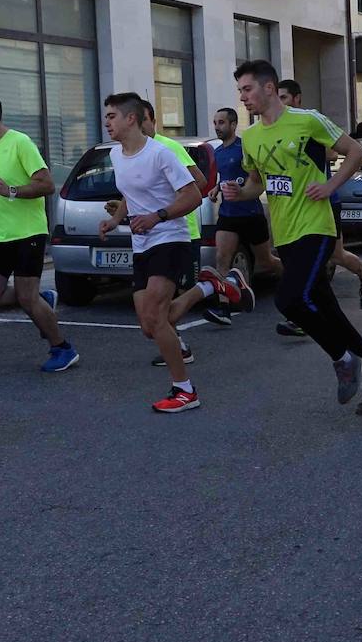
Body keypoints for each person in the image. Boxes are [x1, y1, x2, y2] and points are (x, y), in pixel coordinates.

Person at [225, 61, 362, 415]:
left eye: (247, 89)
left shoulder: (308, 120)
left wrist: (332, 184)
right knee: (331, 313)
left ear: (269, 88)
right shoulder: (252, 137)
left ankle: (342, 359)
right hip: (285, 232)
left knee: (289, 300)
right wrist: (237, 192)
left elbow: (357, 152)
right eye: (240, 91)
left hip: (316, 226)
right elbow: (257, 182)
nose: (243, 98)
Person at [98, 93, 242, 413]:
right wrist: (116, 219)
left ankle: (184, 390)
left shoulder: (161, 153)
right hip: (142, 245)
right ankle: (208, 286)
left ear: (131, 118)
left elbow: (193, 195)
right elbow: (130, 193)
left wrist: (157, 216)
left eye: (111, 116)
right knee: (150, 326)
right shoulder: (117, 156)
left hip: (170, 238)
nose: (106, 122)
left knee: (155, 315)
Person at [0, 88, 78, 372]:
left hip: (28, 233)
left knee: (28, 298)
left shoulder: (20, 143)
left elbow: (46, 185)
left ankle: (62, 348)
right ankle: (40, 299)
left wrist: (12, 190)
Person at [277, 79, 362, 318]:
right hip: (293, 205)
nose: (279, 102)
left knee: (334, 255)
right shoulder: (277, 127)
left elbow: (334, 152)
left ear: (297, 99)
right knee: (323, 258)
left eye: (284, 97)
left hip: (323, 201)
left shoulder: (310, 121)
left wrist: (304, 151)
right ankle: (311, 311)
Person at [136, 99, 223, 362]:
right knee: (158, 307)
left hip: (180, 231)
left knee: (173, 299)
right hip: (149, 236)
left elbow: (199, 182)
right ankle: (178, 347)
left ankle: (210, 286)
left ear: (151, 120)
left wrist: (165, 205)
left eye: (141, 123)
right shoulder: (134, 151)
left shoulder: (168, 147)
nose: (136, 129)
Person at [207, 106, 281, 325]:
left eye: (221, 123)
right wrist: (216, 189)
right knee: (222, 258)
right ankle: (223, 309)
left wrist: (242, 190)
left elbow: (255, 178)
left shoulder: (244, 147)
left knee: (266, 261)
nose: (217, 127)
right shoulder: (217, 152)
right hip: (228, 214)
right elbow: (224, 177)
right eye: (215, 123)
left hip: (250, 213)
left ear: (232, 124)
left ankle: (296, 280)